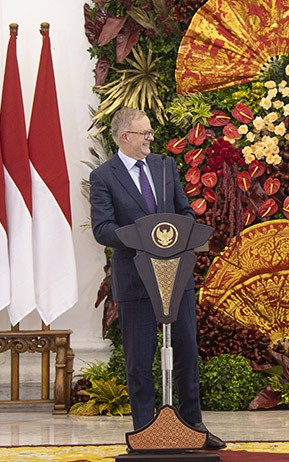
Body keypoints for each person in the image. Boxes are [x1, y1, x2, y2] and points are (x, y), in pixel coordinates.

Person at [90, 107, 225, 449]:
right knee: (139, 357)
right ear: (125, 137)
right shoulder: (105, 177)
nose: (151, 139)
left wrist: (178, 231)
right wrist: (145, 237)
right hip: (136, 282)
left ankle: (194, 424)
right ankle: (146, 428)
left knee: (186, 350)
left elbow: (183, 211)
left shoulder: (165, 167)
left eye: (150, 133)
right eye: (145, 134)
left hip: (175, 276)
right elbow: (103, 229)